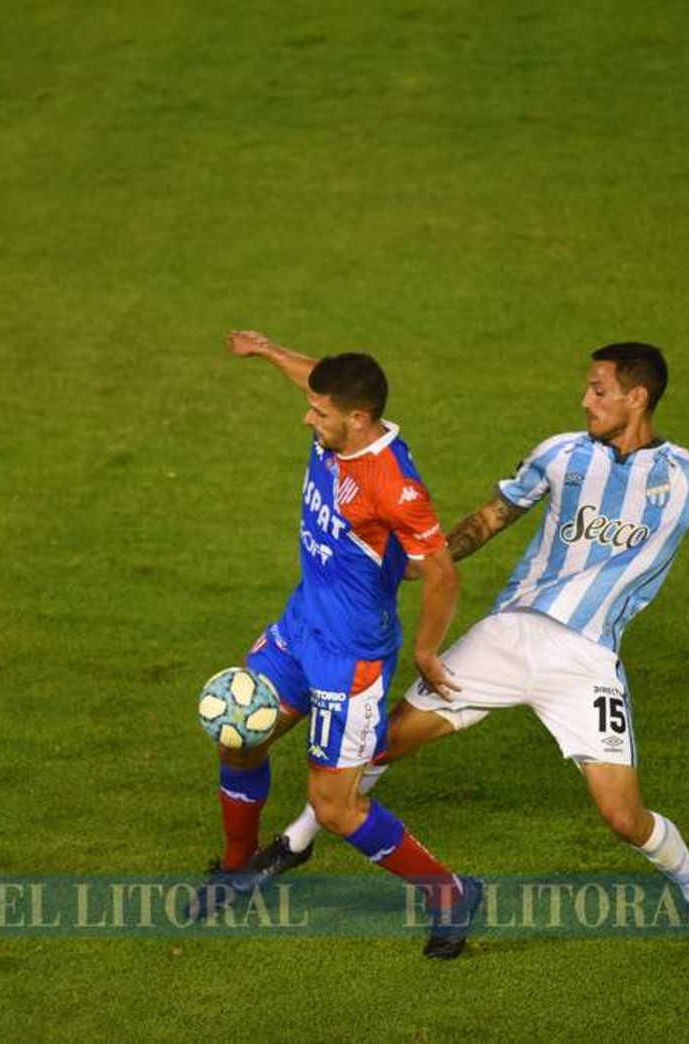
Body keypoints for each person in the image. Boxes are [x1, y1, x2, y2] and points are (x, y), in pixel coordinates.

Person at [247, 341, 689, 951]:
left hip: (586, 663)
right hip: (506, 636)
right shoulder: (559, 454)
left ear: (637, 395)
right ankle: (298, 842)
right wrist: (427, 564)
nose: (584, 400)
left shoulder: (686, 477)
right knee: (378, 742)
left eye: (598, 390)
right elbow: (490, 518)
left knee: (624, 817)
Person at [194, 330, 483, 959]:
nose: (308, 416)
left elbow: (441, 572)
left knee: (335, 808)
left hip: (350, 659)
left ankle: (450, 893)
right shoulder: (338, 425)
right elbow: (312, 380)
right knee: (239, 736)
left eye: (319, 412)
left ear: (357, 418)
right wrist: (269, 352)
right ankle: (238, 867)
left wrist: (429, 652)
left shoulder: (392, 484)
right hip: (301, 627)